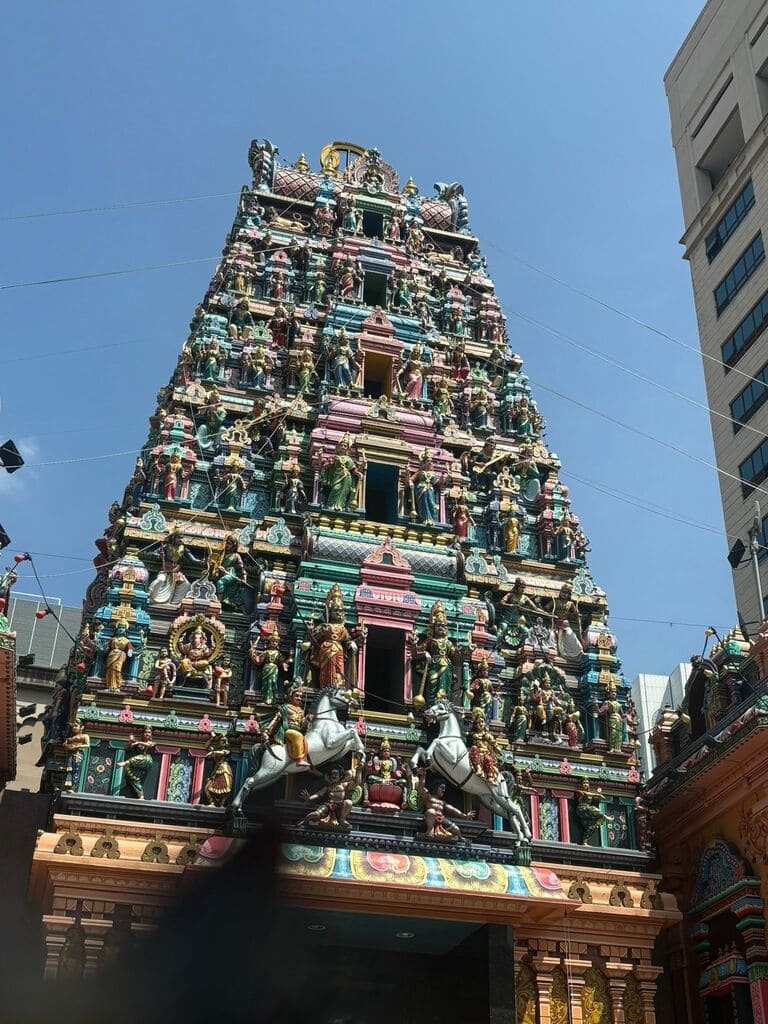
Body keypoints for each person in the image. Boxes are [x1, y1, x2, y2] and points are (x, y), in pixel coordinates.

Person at [415, 767, 475, 841]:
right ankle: (430, 830)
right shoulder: (428, 796)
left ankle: (460, 837)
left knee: (456, 829)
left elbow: (453, 810)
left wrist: (465, 816)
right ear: (436, 787)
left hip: (440, 819)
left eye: (444, 788)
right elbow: (421, 787)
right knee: (431, 811)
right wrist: (423, 775)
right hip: (430, 818)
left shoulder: (442, 802)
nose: (444, 790)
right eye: (442, 787)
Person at [299, 763, 362, 832]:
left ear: (340, 776)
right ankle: (303, 821)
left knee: (348, 802)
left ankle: (342, 819)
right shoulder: (328, 787)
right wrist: (309, 798)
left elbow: (356, 783)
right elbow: (319, 794)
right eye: (332, 774)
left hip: (340, 807)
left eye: (336, 774)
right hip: (328, 807)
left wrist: (359, 771)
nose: (334, 776)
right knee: (315, 814)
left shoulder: (344, 785)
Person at [263, 686, 309, 767]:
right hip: (288, 730)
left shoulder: (301, 710)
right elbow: (276, 719)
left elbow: (302, 725)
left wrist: (307, 720)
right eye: (297, 695)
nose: (299, 698)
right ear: (290, 697)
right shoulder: (285, 707)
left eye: (301, 696)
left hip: (298, 730)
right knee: (297, 736)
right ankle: (299, 760)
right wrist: (267, 731)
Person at [117, 727, 155, 799]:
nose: (147, 734)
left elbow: (150, 745)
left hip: (146, 760)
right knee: (134, 780)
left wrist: (138, 742)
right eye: (145, 732)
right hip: (137, 764)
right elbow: (127, 748)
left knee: (141, 756)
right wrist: (131, 741)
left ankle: (126, 762)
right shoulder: (138, 743)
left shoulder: (151, 743)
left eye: (149, 732)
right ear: (142, 734)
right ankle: (140, 795)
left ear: (151, 735)